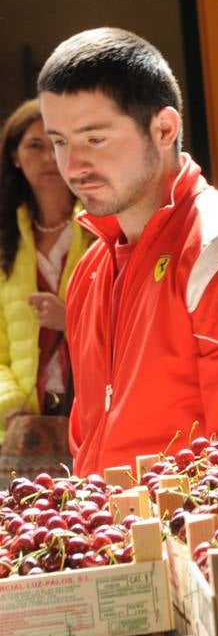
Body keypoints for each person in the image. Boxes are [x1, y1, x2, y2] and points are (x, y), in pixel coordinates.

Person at [37, 27, 218, 476]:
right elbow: (87, 447)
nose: (73, 164)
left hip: (199, 545)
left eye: (95, 138)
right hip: (107, 540)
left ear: (164, 128)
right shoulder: (90, 270)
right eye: (60, 141)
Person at [0, 100, 90, 470]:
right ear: (16, 157)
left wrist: (71, 321)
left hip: (94, 412)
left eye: (56, 143)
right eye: (34, 145)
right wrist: (10, 406)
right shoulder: (5, 237)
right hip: (22, 422)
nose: (49, 156)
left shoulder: (103, 227)